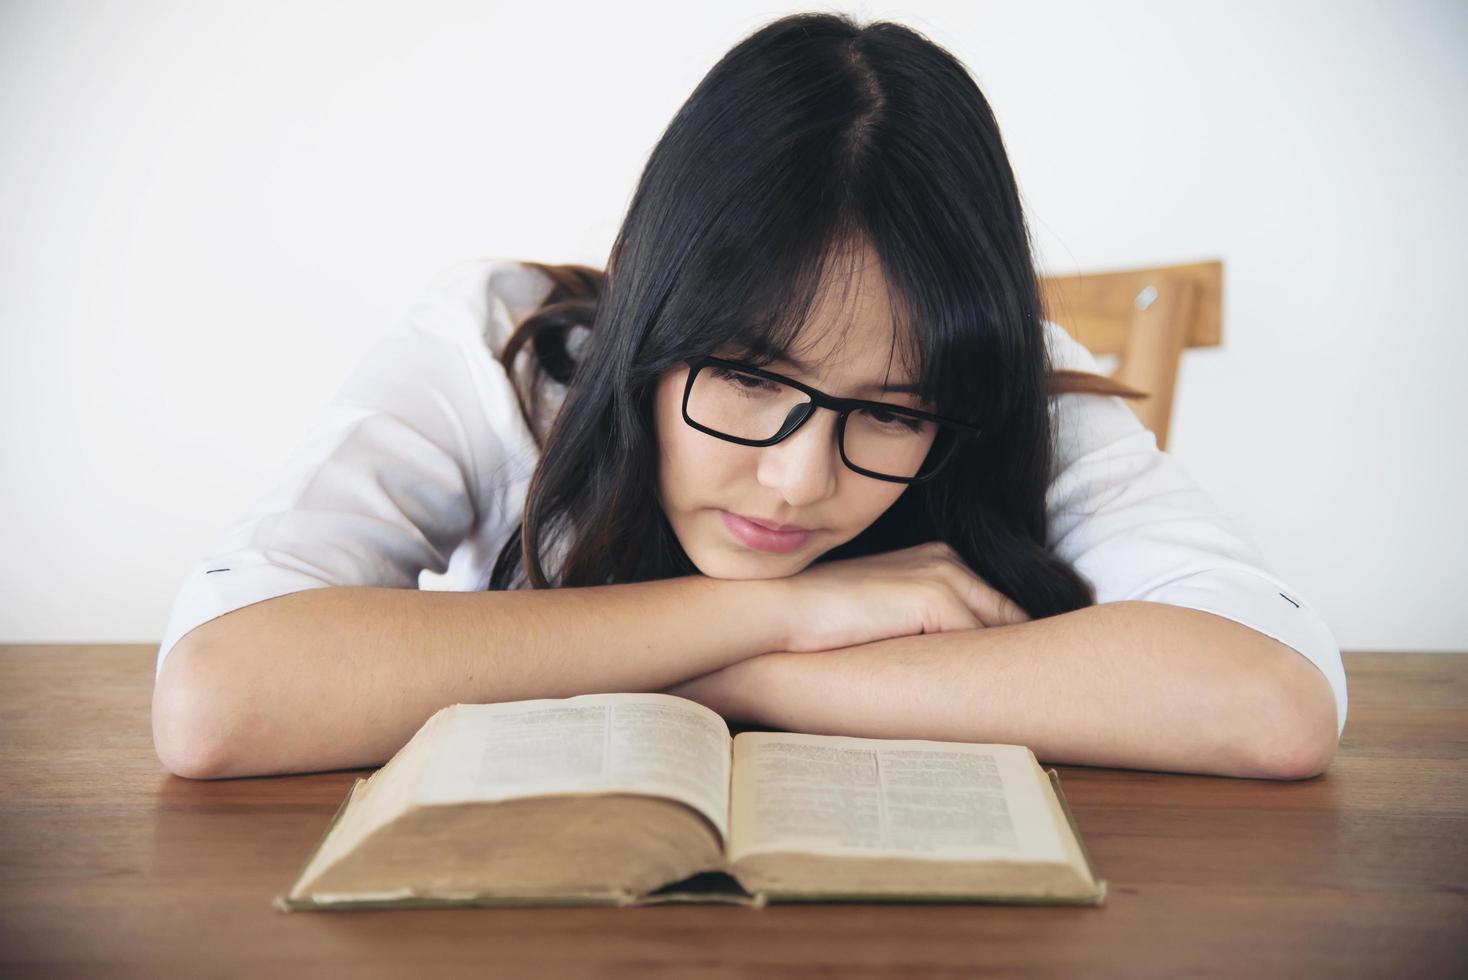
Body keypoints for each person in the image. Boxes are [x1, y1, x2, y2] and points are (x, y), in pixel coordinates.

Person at [150, 12, 1346, 782]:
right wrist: (782, 612)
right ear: (648, 327)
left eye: (888, 409)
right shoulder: (501, 345)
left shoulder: (1004, 380)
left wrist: (736, 674)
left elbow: (1267, 695)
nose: (798, 476)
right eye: (746, 375)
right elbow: (218, 696)